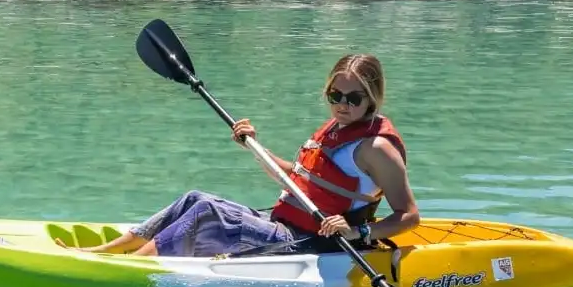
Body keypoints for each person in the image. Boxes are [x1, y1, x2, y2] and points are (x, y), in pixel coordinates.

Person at [65, 53, 421, 258]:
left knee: (209, 214)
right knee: (196, 198)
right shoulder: (335, 130)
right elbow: (295, 178)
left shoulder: (377, 149)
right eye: (335, 95)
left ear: (371, 97)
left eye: (353, 98)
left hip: (313, 243)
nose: (342, 105)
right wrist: (254, 144)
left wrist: (358, 231)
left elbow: (409, 216)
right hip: (285, 225)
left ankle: (130, 269)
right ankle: (108, 252)